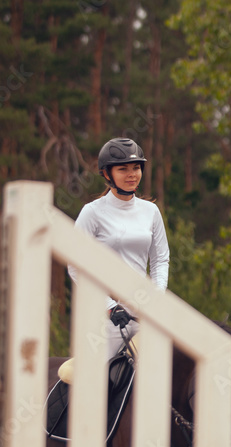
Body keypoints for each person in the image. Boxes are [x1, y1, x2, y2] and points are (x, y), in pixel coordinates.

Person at [67, 137, 170, 361]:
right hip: (106, 318)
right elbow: (75, 266)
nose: (132, 174)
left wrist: (157, 296)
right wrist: (110, 307)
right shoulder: (92, 212)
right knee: (95, 383)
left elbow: (160, 259)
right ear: (107, 174)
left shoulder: (151, 211)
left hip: (144, 314)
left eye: (136, 168)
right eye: (123, 169)